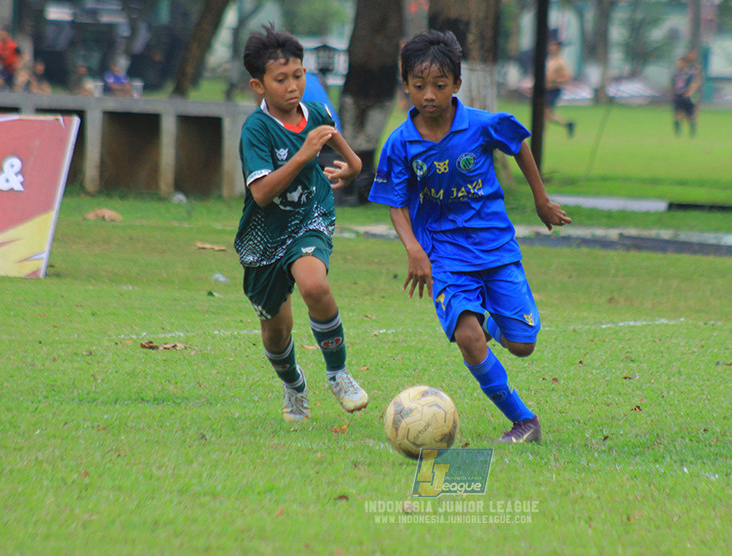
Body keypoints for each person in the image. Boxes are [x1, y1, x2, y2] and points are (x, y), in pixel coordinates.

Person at [369, 30, 572, 444]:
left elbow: (519, 143)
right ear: (405, 84)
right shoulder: (400, 143)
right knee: (466, 335)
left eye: (440, 86)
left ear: (457, 85)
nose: (429, 95)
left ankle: (493, 321)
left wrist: (541, 201)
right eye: (419, 86)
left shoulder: (481, 125)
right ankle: (523, 421)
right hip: (444, 254)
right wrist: (413, 249)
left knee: (522, 345)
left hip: (495, 246)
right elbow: (396, 200)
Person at [234, 24, 368, 424]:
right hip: (264, 235)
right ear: (259, 85)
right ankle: (294, 385)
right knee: (276, 332)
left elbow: (354, 161)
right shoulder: (255, 130)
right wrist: (303, 155)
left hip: (311, 216)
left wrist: (349, 169)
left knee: (314, 284)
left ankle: (339, 373)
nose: (293, 86)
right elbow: (260, 195)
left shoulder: (319, 113)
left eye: (299, 75)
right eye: (281, 79)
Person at [545, 33, 575, 138]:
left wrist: (555, 80)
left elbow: (567, 77)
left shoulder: (561, 62)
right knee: (545, 114)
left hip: (554, 90)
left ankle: (541, 133)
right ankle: (567, 124)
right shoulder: (550, 60)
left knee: (545, 113)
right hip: (546, 89)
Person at [672, 53, 700, 137]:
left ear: (685, 64)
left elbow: (694, 83)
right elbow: (673, 84)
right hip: (678, 95)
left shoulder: (689, 74)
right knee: (677, 115)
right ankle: (678, 133)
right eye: (679, 63)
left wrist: (689, 92)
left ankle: (692, 132)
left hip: (687, 96)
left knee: (690, 116)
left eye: (682, 63)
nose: (680, 65)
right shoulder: (676, 74)